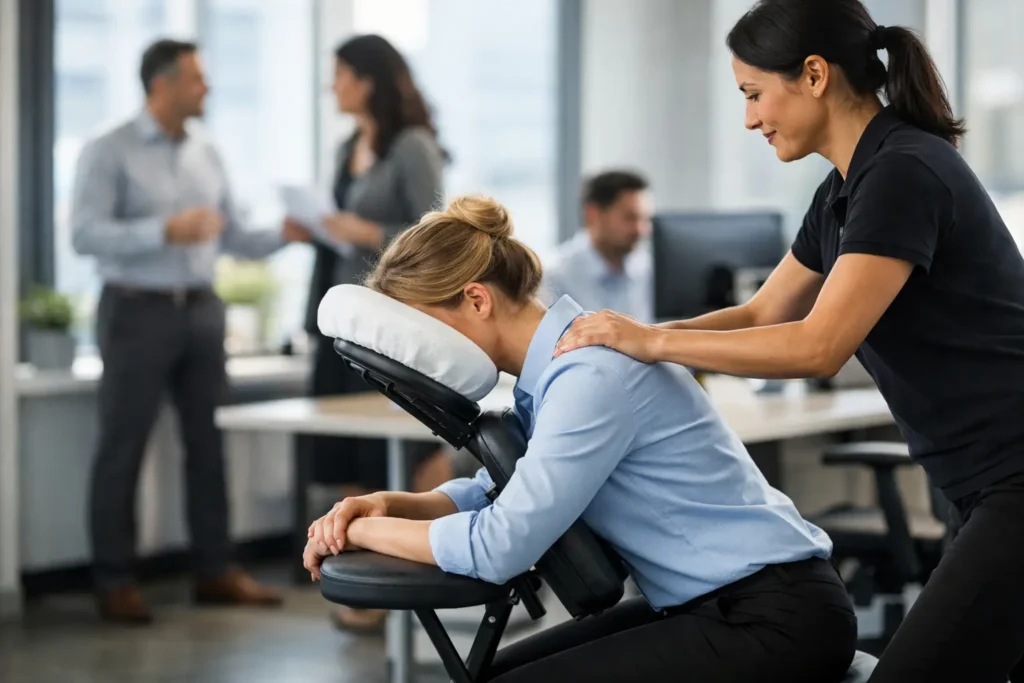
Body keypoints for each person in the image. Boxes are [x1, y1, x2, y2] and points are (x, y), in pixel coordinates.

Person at [553, 1, 1024, 681]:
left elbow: (816, 346)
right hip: (972, 481)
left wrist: (653, 344)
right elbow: (762, 311)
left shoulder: (901, 173)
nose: (749, 118)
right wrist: (629, 337)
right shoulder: (843, 191)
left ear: (812, 75)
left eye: (753, 93)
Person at [303, 195, 857, 683]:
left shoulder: (589, 376)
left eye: (426, 330)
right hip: (719, 605)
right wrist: (382, 505)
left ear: (477, 300)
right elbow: (499, 489)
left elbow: (499, 547)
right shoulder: (554, 374)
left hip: (776, 618)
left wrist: (371, 532)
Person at [71, 39, 308, 624]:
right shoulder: (109, 148)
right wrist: (163, 231)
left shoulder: (208, 151)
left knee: (209, 445)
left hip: (202, 310)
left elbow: (233, 236)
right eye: (197, 79)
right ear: (162, 83)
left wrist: (286, 232)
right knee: (121, 448)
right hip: (135, 311)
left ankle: (215, 570)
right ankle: (114, 581)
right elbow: (83, 235)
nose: (207, 88)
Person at [297, 33, 452, 632]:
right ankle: (372, 585)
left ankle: (427, 576)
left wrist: (361, 231)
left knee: (410, 450)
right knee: (354, 456)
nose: (331, 86)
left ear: (367, 79)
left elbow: (434, 236)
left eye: (338, 75)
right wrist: (317, 226)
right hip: (342, 318)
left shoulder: (412, 145)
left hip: (390, 322)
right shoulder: (345, 148)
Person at [542, 170, 654, 322]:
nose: (641, 230)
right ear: (593, 215)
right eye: (630, 218)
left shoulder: (648, 269)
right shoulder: (554, 276)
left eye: (645, 219)